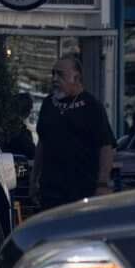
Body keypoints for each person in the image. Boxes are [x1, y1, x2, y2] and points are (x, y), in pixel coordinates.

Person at [33, 52, 117, 211]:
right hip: (51, 190)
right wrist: (34, 179)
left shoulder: (91, 106)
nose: (54, 79)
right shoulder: (48, 104)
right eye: (53, 74)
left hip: (82, 189)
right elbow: (42, 144)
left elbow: (106, 146)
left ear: (76, 78)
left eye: (60, 74)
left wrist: (102, 183)